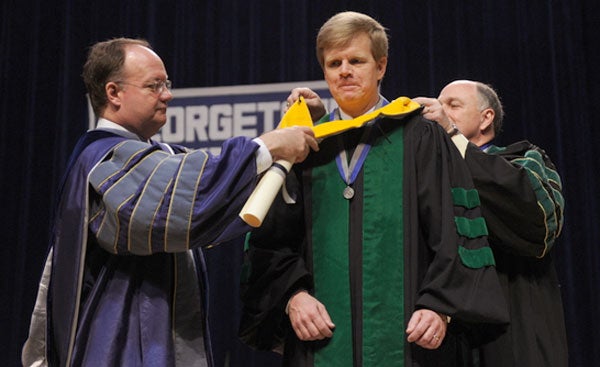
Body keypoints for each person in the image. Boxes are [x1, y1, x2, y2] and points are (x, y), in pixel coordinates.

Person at [21, 37, 318, 367]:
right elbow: (191, 197)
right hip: (117, 347)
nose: (168, 94)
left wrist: (296, 127)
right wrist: (271, 145)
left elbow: (217, 185)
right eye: (154, 85)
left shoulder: (156, 157)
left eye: (167, 83)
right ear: (113, 93)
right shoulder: (103, 160)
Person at [239, 12, 508, 367]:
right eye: (334, 63)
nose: (345, 70)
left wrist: (440, 306)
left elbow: (454, 229)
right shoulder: (303, 144)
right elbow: (269, 241)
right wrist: (293, 295)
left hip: (410, 342)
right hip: (320, 346)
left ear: (380, 67)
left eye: (356, 61)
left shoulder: (420, 136)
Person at [413, 80, 568, 367]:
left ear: (486, 118)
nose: (440, 111)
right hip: (441, 336)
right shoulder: (426, 177)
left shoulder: (525, 160)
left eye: (453, 105)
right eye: (439, 104)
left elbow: (536, 224)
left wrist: (453, 136)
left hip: (514, 332)